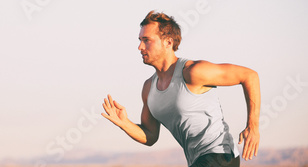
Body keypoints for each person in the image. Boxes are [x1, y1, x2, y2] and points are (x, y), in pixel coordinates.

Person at [101, 11, 260, 167]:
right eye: (140, 40)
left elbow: (249, 76)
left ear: (168, 42)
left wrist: (252, 126)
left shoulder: (193, 72)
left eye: (146, 40)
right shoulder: (148, 88)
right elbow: (150, 136)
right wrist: (125, 123)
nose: (140, 46)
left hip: (220, 155)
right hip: (197, 161)